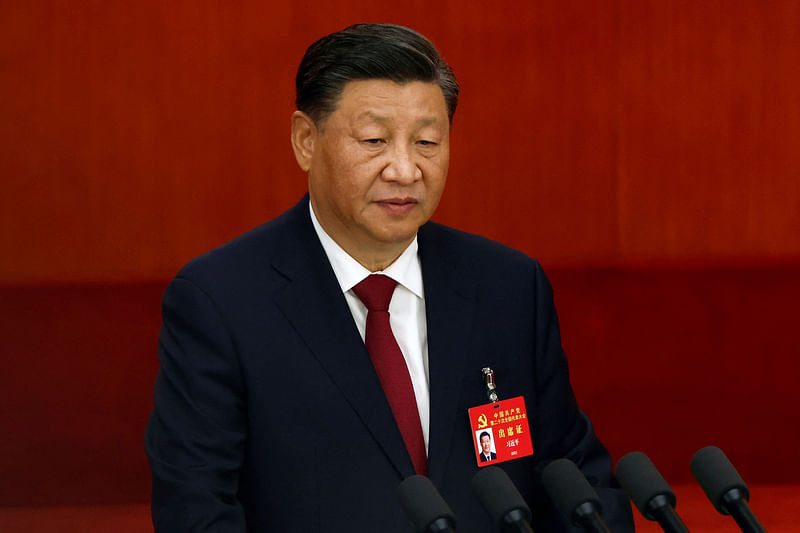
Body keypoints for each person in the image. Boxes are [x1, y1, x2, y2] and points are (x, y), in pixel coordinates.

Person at [145, 23, 634, 532]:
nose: (405, 169)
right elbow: (197, 510)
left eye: (426, 141)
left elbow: (572, 474)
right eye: (375, 140)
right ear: (306, 141)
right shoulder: (222, 300)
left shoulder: (507, 287)